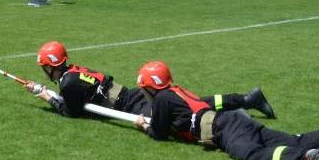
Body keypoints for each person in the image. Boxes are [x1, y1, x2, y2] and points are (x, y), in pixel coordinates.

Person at [132, 60, 319, 160]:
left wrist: (144, 125)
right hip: (235, 121)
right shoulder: (176, 91)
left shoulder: (163, 99)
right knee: (295, 139)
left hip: (225, 130)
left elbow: (159, 133)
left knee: (252, 154)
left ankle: (313, 157)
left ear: (150, 88)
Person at [24, 41, 276, 121]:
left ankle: (234, 115)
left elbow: (71, 111)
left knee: (181, 115)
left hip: (131, 105)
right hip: (130, 95)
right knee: (193, 102)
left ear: (49, 66)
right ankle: (244, 100)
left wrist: (46, 95)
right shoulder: (73, 72)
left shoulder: (67, 83)